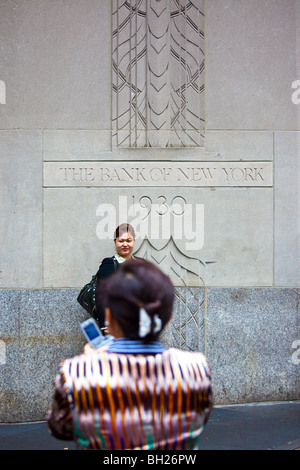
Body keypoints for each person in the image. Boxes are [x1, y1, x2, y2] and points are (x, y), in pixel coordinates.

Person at [47, 259, 213, 450]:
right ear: (169, 317)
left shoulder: (76, 373)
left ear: (108, 317)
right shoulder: (196, 369)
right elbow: (201, 416)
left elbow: (59, 427)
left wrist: (89, 362)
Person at [95, 223, 136, 331]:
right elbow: (101, 295)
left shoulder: (141, 263)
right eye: (121, 241)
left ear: (133, 241)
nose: (125, 244)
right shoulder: (109, 264)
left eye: (128, 240)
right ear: (115, 242)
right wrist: (105, 325)